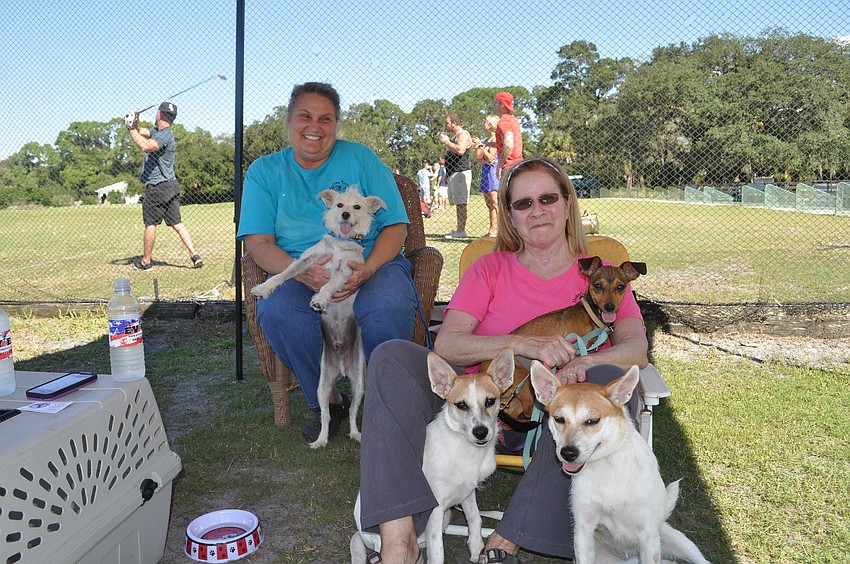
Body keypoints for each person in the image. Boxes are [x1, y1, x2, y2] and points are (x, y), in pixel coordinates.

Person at [357, 157, 649, 564]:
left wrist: (580, 371)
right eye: (523, 203)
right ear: (510, 214)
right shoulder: (489, 269)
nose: (537, 210)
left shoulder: (603, 278)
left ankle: (509, 538)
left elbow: (636, 348)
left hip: (562, 421)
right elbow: (449, 345)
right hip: (479, 408)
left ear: (567, 202)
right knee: (390, 356)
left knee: (598, 383)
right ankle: (399, 540)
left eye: (547, 198)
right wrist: (525, 344)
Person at [237, 82, 418, 444]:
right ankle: (330, 400)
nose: (314, 126)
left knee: (387, 306)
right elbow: (257, 243)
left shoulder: (362, 158)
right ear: (288, 121)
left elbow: (397, 226)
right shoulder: (264, 171)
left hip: (370, 261)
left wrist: (367, 269)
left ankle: (390, 403)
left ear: (336, 124)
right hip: (302, 266)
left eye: (326, 118)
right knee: (278, 312)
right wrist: (306, 275)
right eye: (305, 116)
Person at [125, 101, 203, 270]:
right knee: (177, 223)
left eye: (156, 112)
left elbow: (145, 146)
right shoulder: (158, 132)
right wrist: (135, 122)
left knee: (150, 224)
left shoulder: (164, 136)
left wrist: (130, 128)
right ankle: (194, 255)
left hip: (158, 186)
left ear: (159, 114)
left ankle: (146, 261)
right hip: (171, 186)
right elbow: (141, 132)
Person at [438, 114, 472, 239]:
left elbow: (460, 150)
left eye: (447, 123)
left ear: (454, 123)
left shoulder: (463, 135)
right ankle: (459, 228)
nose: (445, 125)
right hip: (453, 173)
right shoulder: (455, 136)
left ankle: (461, 230)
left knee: (462, 203)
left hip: (461, 172)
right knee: (458, 203)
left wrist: (446, 141)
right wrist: (447, 174)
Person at [475, 115, 500, 237]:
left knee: (495, 203)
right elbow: (480, 159)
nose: (484, 123)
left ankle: (501, 230)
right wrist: (480, 148)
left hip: (493, 173)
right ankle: (492, 230)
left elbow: (490, 158)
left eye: (486, 121)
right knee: (489, 204)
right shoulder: (485, 141)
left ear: (492, 125)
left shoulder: (495, 140)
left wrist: (481, 147)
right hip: (485, 171)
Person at [493, 91, 524, 179]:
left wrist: (500, 164)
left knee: (506, 192)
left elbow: (509, 145)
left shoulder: (503, 121)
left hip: (509, 166)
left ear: (502, 104)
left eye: (496, 102)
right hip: (519, 163)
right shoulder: (513, 119)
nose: (494, 104)